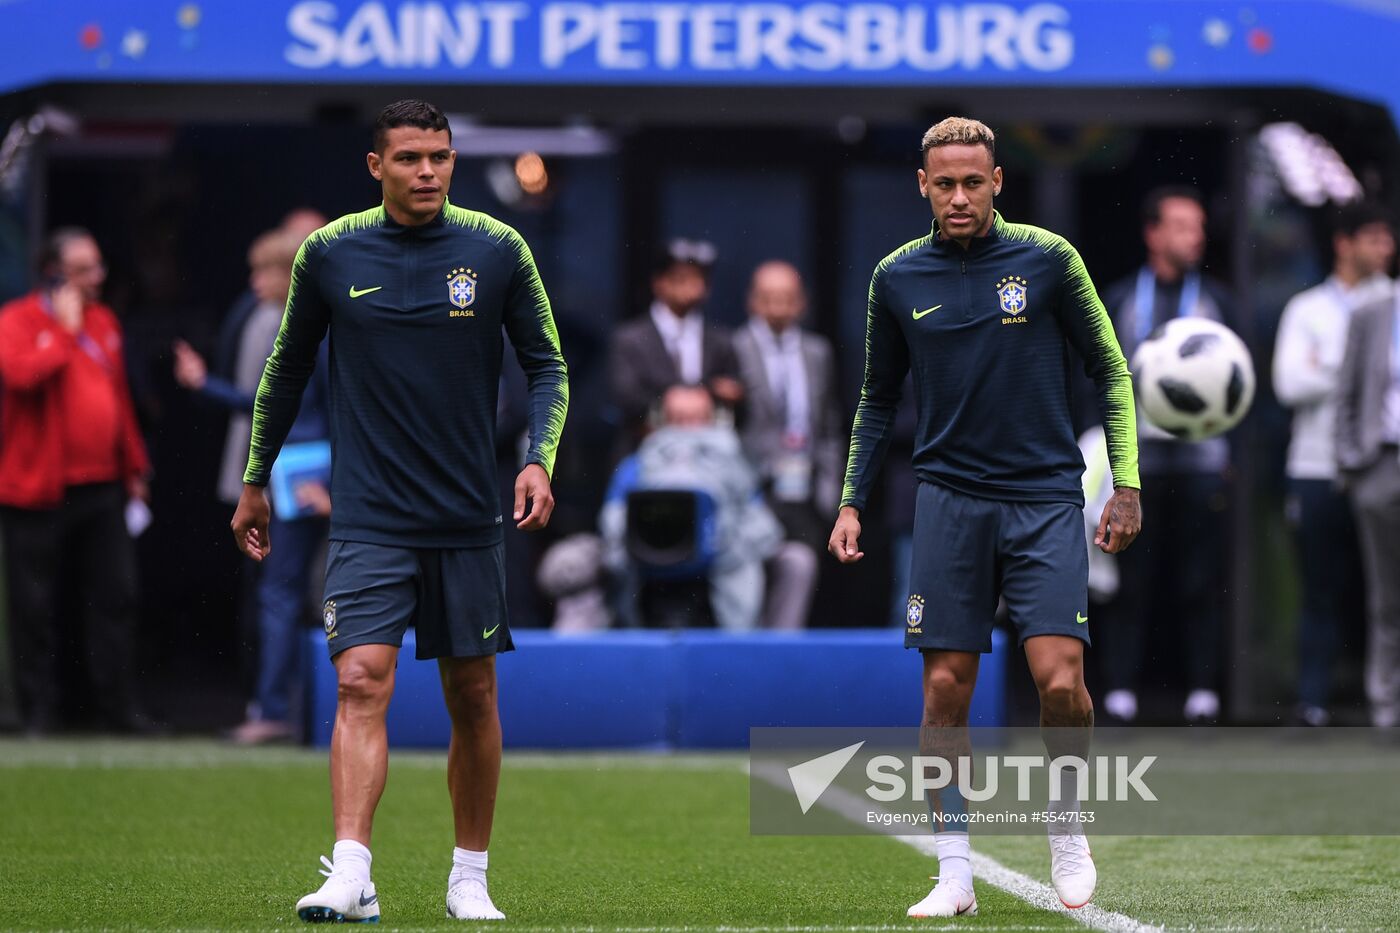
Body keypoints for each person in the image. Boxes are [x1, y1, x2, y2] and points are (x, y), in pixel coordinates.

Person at [230, 100, 568, 923]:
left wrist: (537, 459)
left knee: (474, 697)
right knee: (358, 679)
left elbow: (548, 367)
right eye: (411, 157)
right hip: (369, 516)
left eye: (441, 157)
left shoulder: (498, 249)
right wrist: (255, 476)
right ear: (375, 166)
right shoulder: (329, 251)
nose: (428, 171)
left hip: (465, 519)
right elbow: (283, 371)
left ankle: (469, 875)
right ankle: (351, 870)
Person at [829, 117, 1140, 918]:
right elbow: (876, 399)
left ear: (999, 181)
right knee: (944, 688)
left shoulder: (1048, 259)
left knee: (1059, 680)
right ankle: (955, 870)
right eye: (945, 183)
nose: (959, 195)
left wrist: (1126, 483)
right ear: (922, 186)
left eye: (974, 181)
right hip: (949, 502)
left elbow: (1111, 368)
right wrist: (852, 501)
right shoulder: (895, 277)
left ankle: (1066, 827)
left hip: (1043, 498)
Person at [174, 228, 332, 743]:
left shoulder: (312, 331)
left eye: (264, 270)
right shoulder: (309, 325)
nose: (253, 280)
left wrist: (204, 386)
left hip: (307, 478)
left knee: (288, 594)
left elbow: (305, 409)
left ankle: (278, 711)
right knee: (292, 593)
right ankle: (291, 710)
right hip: (301, 476)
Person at [0, 228, 153, 734]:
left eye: (98, 267)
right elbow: (22, 375)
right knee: (34, 607)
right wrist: (63, 332)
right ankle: (38, 713)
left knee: (115, 597)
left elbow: (119, 399)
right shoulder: (16, 321)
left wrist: (134, 467)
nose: (97, 278)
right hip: (37, 489)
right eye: (86, 269)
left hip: (104, 486)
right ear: (55, 273)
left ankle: (117, 711)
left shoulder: (105, 320)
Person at [1098, 187, 1231, 725]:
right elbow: (1099, 377)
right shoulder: (1122, 296)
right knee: (1130, 579)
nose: (1193, 236)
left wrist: (1234, 455)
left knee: (1201, 577)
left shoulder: (1218, 299)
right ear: (1153, 233)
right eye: (1180, 225)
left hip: (1202, 463)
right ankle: (1120, 688)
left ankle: (1203, 690)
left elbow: (1242, 382)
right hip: (1138, 464)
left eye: (1197, 227)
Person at [1273, 202, 1394, 726]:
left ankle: (1382, 703)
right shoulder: (1306, 308)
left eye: (1387, 238)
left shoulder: (1392, 306)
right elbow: (1288, 383)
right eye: (1372, 236)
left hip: (1378, 469)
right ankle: (1314, 701)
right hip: (1316, 467)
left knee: (1386, 591)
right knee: (1319, 588)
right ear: (1344, 243)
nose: (1384, 247)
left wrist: (1330, 365)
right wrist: (1361, 372)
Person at [600, 384, 782, 630]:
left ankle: (748, 650)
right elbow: (612, 520)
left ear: (714, 419)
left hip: (722, 561)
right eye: (678, 419)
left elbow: (760, 522)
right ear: (661, 420)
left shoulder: (736, 464)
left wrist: (729, 542)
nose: (687, 430)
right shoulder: (635, 466)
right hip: (647, 563)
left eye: (696, 419)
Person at [732, 261, 843, 629]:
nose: (777, 308)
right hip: (753, 485)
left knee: (801, 565)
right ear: (752, 301)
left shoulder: (817, 352)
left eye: (786, 299)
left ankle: (782, 652)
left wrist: (830, 490)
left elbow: (828, 425)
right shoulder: (736, 347)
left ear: (802, 303)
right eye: (768, 298)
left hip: (804, 487)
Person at [608, 239, 744, 458]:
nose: (690, 286)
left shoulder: (721, 340)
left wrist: (709, 392)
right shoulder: (630, 339)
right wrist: (671, 397)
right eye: (680, 278)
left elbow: (735, 392)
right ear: (659, 282)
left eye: (698, 278)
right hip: (645, 453)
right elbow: (626, 397)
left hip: (708, 457)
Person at [1335, 274, 1400, 731]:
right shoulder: (1372, 313)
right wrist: (1351, 466)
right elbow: (1347, 394)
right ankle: (1386, 708)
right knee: (1387, 595)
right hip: (1381, 466)